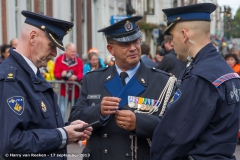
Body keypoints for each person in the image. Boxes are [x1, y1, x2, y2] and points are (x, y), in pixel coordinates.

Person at [69, 16, 176, 160]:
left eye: (136, 41)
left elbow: (174, 128)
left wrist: (139, 123)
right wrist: (98, 111)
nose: (133, 48)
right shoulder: (93, 79)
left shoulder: (163, 82)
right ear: (111, 49)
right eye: (125, 44)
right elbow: (74, 120)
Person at [151, 3, 240, 160]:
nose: (171, 44)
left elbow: (173, 135)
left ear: (184, 35)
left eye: (172, 37)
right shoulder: (225, 71)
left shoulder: (201, 76)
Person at [0, 10, 92, 158]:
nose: (55, 53)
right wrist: (62, 135)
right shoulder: (11, 79)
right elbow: (13, 142)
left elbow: (38, 127)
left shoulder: (30, 74)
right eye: (51, 45)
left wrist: (69, 129)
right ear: (33, 37)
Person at [54, 42, 84, 121]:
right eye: (72, 51)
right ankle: (62, 127)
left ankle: (74, 128)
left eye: (75, 51)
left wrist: (76, 77)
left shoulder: (79, 61)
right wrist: (61, 75)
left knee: (75, 112)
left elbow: (81, 75)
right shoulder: (59, 60)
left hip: (76, 92)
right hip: (63, 91)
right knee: (62, 111)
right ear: (66, 51)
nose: (74, 53)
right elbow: (55, 73)